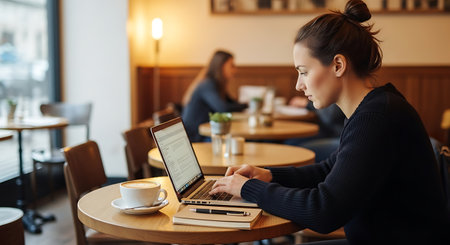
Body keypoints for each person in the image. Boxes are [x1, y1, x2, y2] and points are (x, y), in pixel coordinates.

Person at [210, 1, 449, 244]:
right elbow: (330, 170)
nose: (298, 84)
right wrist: (270, 175)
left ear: (338, 65)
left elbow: (323, 212)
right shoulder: (373, 109)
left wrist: (247, 189)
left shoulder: (377, 118)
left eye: (303, 71)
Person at [182, 50, 247, 142]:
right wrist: (247, 105)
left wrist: (245, 104)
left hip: (207, 132)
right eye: (232, 66)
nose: (235, 70)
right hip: (196, 137)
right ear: (221, 66)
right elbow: (223, 108)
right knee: (235, 141)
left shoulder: (217, 84)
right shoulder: (208, 84)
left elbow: (231, 102)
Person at [286, 97, 345, 162]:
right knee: (291, 142)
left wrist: (308, 103)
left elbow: (330, 115)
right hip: (329, 130)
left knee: (300, 151)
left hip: (341, 137)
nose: (299, 87)